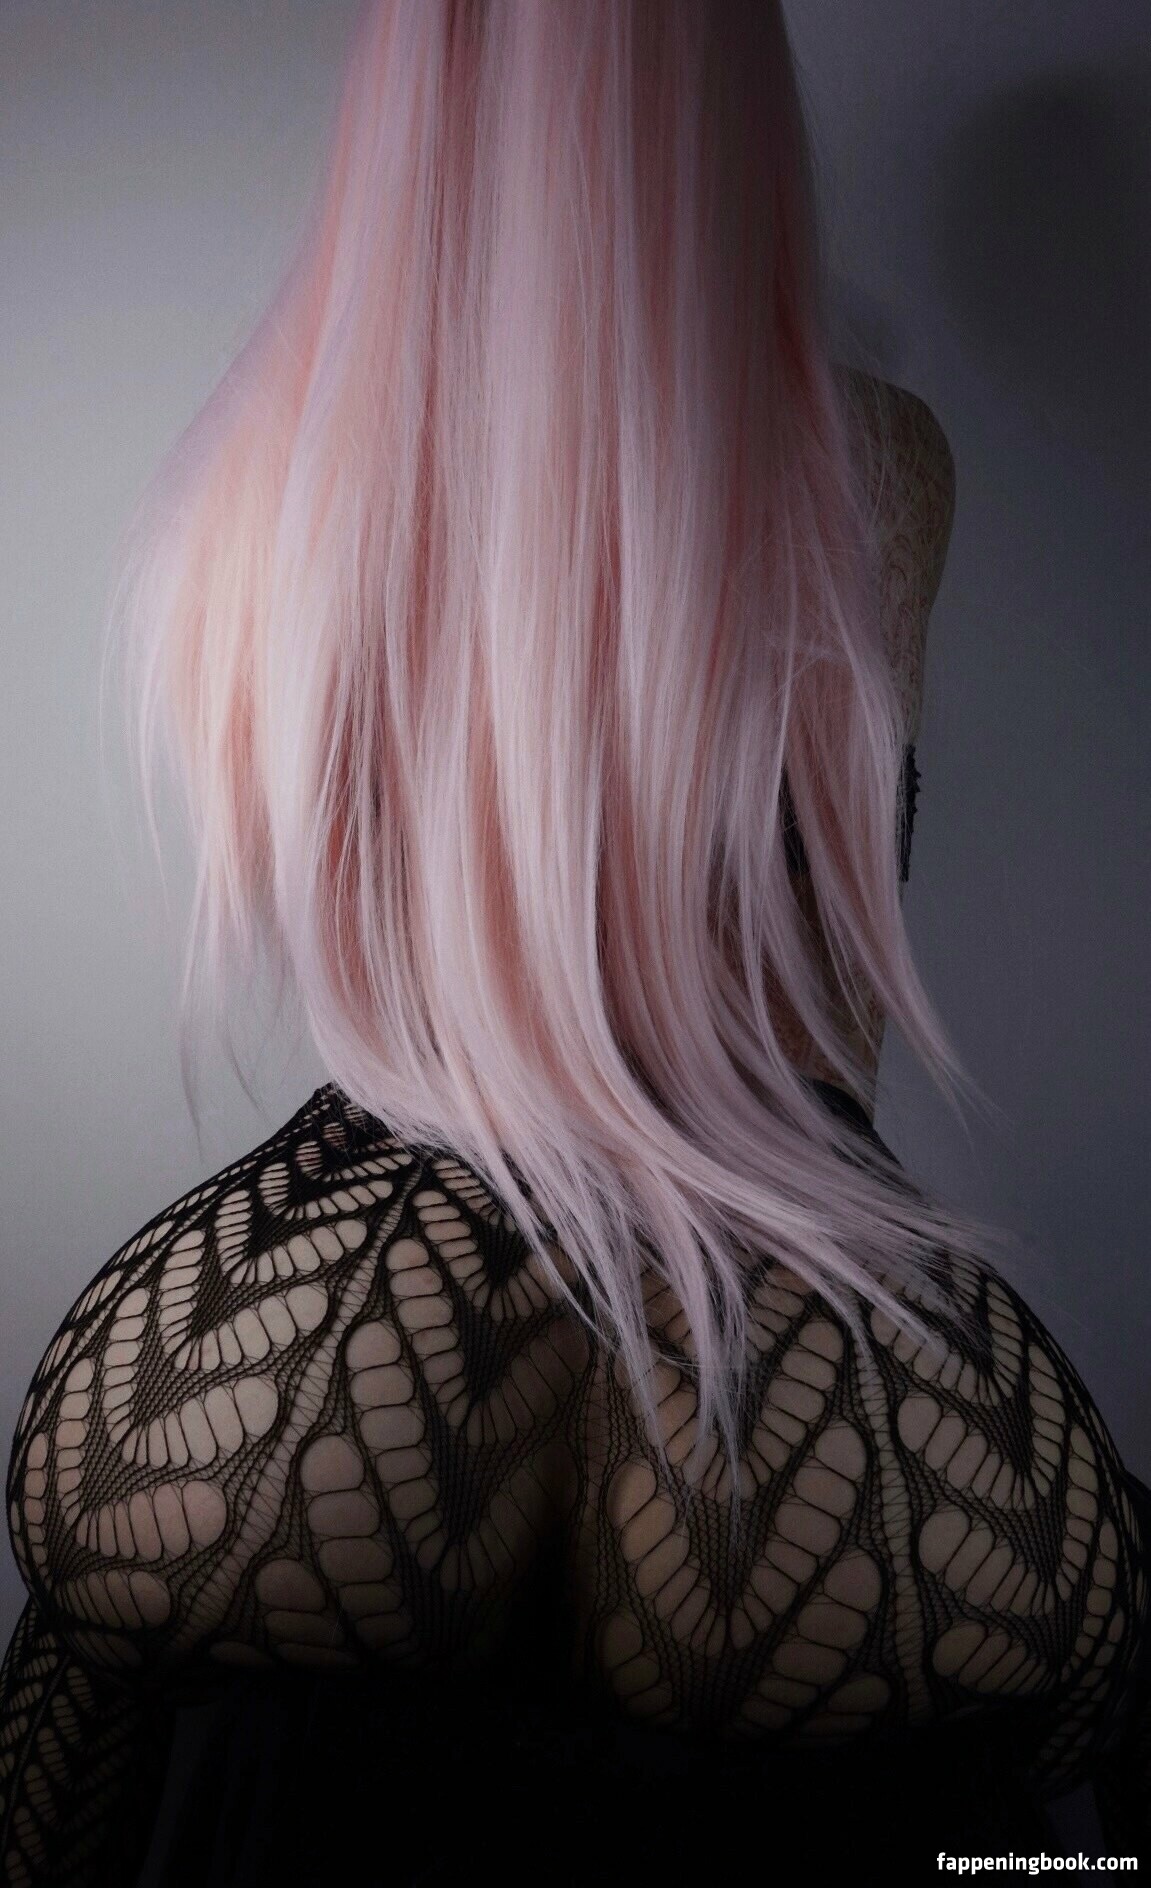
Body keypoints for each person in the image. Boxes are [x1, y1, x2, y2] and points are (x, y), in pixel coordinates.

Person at [2, 2, 1147, 1880]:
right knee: (1068, 1747)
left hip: (328, 1307)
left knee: (101, 1734)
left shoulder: (271, 483)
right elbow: (826, 1048)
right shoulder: (878, 462)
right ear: (729, 105)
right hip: (783, 1300)